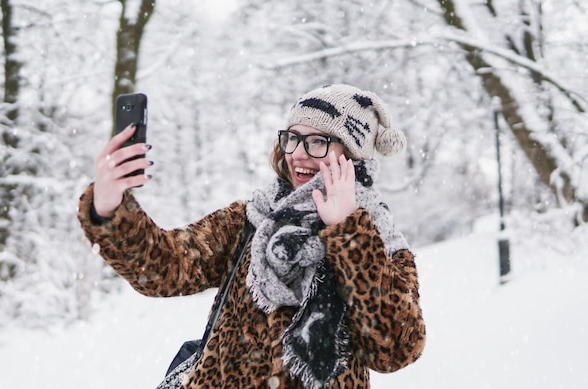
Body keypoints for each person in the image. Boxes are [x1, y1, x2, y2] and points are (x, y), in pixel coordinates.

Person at [78, 84, 426, 388]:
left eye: (319, 141)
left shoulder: (378, 240)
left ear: (352, 156)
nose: (299, 154)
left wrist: (347, 231)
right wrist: (109, 207)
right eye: (292, 138)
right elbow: (166, 267)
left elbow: (395, 348)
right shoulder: (251, 220)